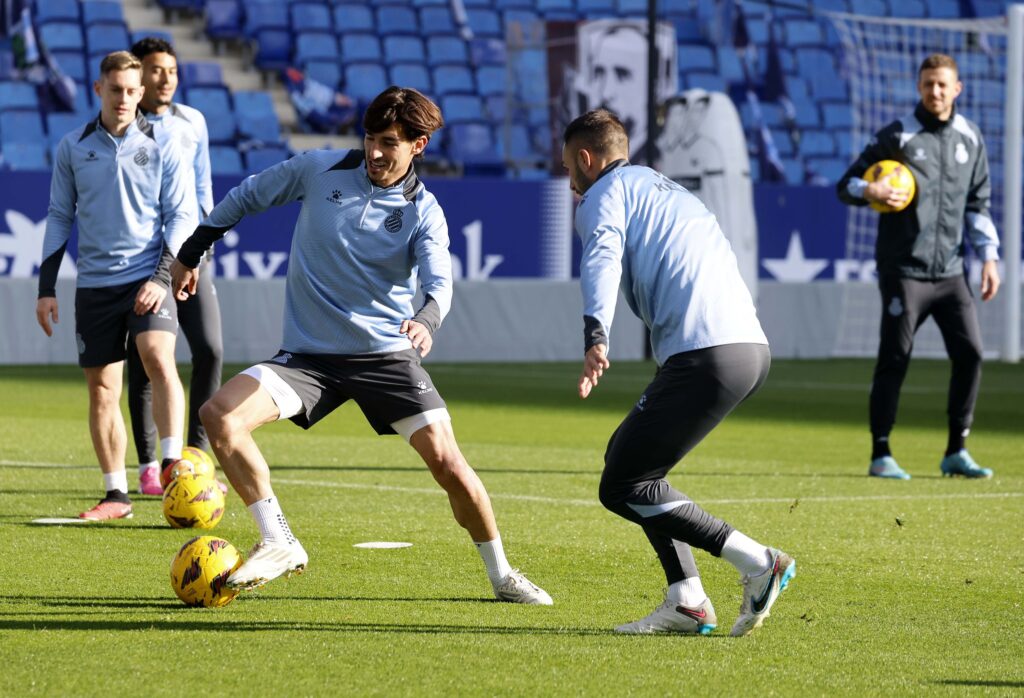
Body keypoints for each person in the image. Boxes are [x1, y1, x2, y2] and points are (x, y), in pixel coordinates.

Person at [169, 86, 552, 604]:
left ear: (418, 145)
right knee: (219, 415)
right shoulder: (319, 170)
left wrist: (428, 319)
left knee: (449, 465)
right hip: (308, 357)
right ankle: (279, 539)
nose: (374, 152)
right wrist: (192, 251)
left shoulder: (424, 210)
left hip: (385, 356)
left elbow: (440, 277)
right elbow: (248, 195)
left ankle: (502, 573)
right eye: (370, 138)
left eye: (389, 143)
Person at [562, 109, 794, 637]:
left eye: (568, 167)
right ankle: (687, 599)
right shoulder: (670, 191)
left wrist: (595, 334)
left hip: (706, 354)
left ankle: (760, 561)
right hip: (747, 346)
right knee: (635, 467)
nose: (569, 180)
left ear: (585, 158)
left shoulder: (604, 194)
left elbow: (601, 256)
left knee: (622, 483)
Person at [36, 51, 195, 520]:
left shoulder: (166, 144)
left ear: (141, 92)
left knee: (157, 356)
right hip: (95, 285)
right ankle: (116, 495)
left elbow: (182, 215)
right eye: (115, 90)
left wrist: (162, 276)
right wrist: (46, 287)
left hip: (149, 275)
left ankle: (171, 465)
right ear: (98, 90)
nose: (124, 98)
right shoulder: (73, 147)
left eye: (131, 90)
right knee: (103, 390)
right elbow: (59, 216)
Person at [837, 53, 1000, 481]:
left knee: (972, 354)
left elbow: (978, 204)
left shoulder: (970, 138)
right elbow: (846, 184)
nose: (935, 91)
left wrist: (989, 257)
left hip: (949, 274)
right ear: (919, 86)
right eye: (928, 84)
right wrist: (870, 187)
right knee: (896, 358)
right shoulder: (898, 136)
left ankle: (956, 451)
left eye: (943, 84)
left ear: (957, 88)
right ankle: (881, 453)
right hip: (904, 272)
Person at [127, 37, 223, 495]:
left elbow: (202, 187)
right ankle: (150, 465)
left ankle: (195, 457)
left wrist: (202, 248)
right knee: (145, 360)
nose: (165, 78)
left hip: (191, 254)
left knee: (209, 349)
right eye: (155, 69)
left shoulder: (193, 122)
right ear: (137, 74)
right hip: (145, 259)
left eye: (172, 70)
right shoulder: (124, 125)